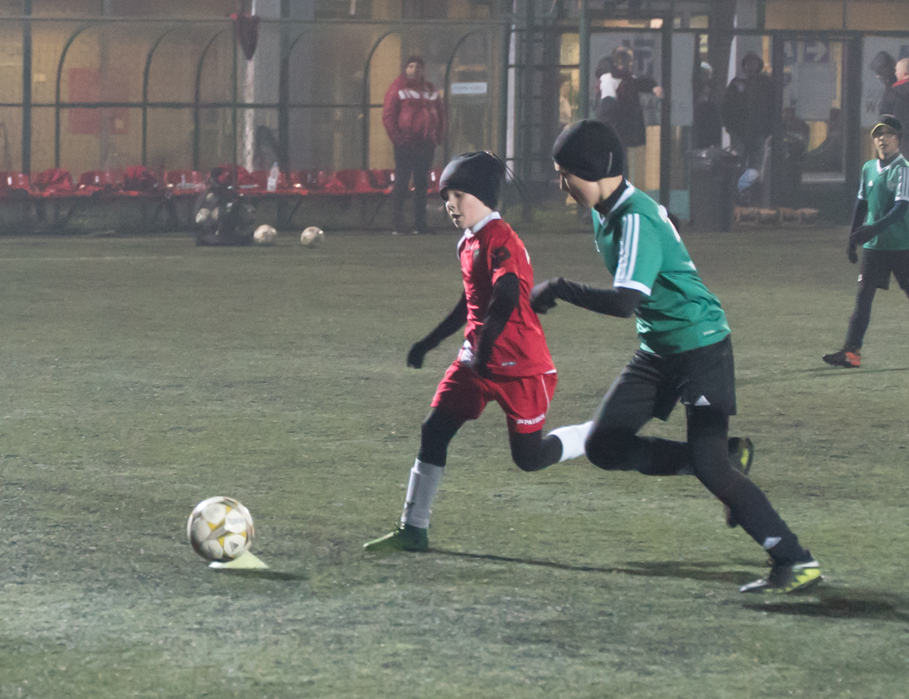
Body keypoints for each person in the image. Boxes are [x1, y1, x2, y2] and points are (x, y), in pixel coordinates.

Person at [530, 120, 822, 594]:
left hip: (701, 346)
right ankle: (727, 457)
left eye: (568, 174)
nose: (562, 185)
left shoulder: (633, 218)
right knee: (604, 446)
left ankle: (796, 560)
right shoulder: (609, 210)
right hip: (659, 349)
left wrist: (560, 287)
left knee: (711, 468)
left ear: (598, 169)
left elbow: (624, 302)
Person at [363, 152, 582, 552]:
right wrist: (431, 342)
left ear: (482, 195)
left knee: (529, 458)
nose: (449, 204)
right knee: (434, 430)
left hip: (519, 364)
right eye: (446, 196)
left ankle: (590, 435)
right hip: (476, 358)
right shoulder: (468, 241)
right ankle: (414, 528)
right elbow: (472, 300)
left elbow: (507, 295)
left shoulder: (501, 239)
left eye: (458, 195)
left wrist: (486, 349)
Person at [823, 115, 909, 369]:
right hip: (874, 248)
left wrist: (873, 230)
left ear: (899, 139)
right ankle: (851, 353)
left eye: (888, 134)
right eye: (878, 134)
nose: (882, 139)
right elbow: (861, 205)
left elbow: (901, 208)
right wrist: (852, 239)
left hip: (902, 246)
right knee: (863, 298)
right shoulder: (868, 168)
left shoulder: (903, 169)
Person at [382, 56, 447, 236]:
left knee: (421, 183)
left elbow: (441, 113)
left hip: (426, 143)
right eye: (411, 66)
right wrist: (398, 139)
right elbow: (389, 115)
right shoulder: (397, 88)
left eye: (418, 67)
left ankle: (420, 224)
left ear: (422, 70)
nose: (414, 70)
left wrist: (438, 136)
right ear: (405, 69)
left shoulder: (430, 89)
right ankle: (397, 224)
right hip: (405, 142)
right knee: (402, 182)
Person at [610, 46, 664, 173]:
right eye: (619, 58)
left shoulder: (631, 80)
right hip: (615, 128)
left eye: (625, 59)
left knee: (625, 163)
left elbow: (641, 83)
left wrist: (654, 87)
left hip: (626, 129)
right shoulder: (611, 79)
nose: (621, 61)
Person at [722, 52, 777, 171]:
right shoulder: (736, 83)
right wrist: (730, 127)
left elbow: (772, 106)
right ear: (744, 65)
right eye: (748, 63)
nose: (751, 66)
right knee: (738, 163)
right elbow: (726, 105)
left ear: (758, 65)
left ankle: (753, 181)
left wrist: (768, 129)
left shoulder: (765, 83)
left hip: (759, 131)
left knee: (755, 165)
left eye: (754, 63)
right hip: (739, 131)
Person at [878, 57, 909, 131]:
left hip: (900, 135)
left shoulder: (893, 92)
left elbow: (885, 117)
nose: (895, 74)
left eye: (897, 71)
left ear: (905, 74)